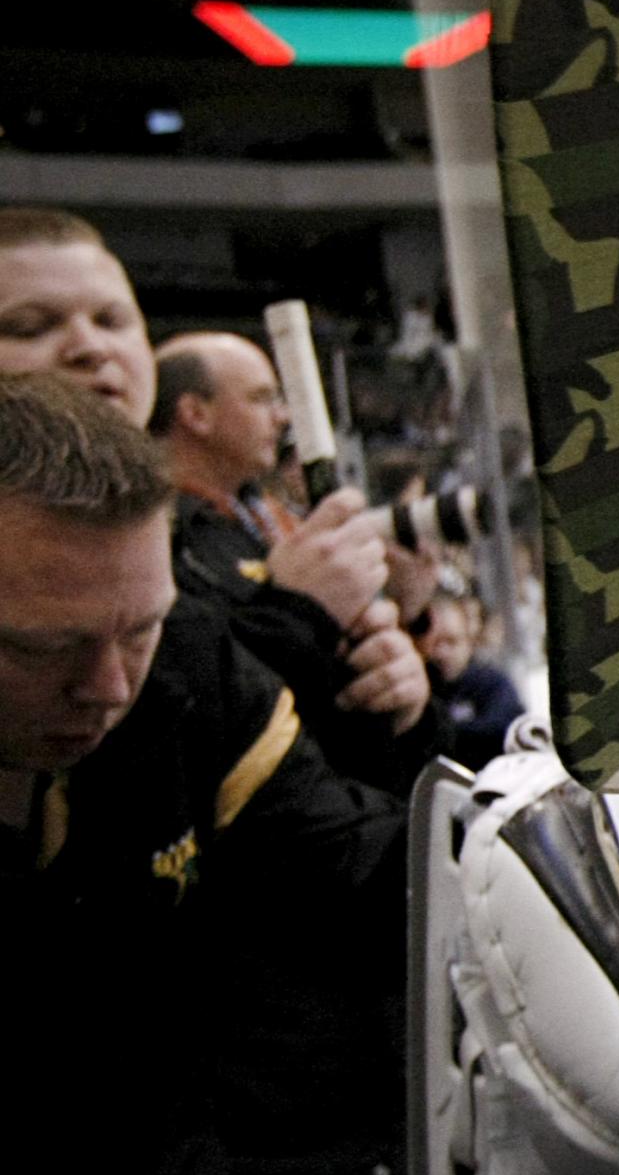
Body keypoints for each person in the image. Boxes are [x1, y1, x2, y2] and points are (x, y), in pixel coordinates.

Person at [0, 372, 419, 1175]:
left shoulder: (184, 660)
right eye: (41, 649)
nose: (109, 688)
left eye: (134, 629)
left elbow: (354, 862)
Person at [0, 210, 441, 793]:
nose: (90, 347)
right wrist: (295, 617)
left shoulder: (215, 534)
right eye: (29, 327)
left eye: (113, 320)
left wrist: (392, 705)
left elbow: (323, 828)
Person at [148, 327, 444, 790]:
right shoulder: (161, 544)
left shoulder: (272, 521)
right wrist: (294, 611)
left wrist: (405, 671)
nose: (284, 416)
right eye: (262, 398)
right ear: (195, 413)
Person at [420, 583, 524, 767]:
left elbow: (500, 731)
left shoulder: (492, 684)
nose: (442, 653)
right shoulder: (420, 690)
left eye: (451, 642)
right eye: (435, 643)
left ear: (468, 642)